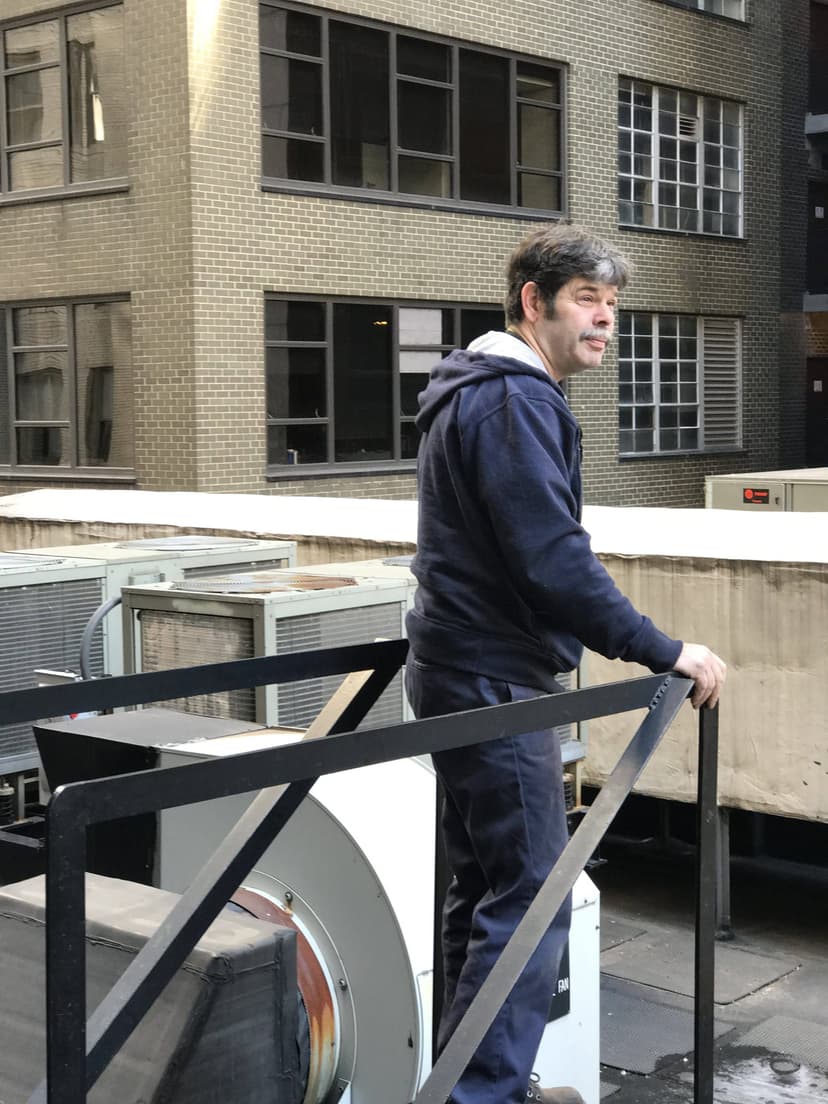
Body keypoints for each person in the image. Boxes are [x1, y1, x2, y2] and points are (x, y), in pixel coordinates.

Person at [404, 223, 726, 1104]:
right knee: (533, 899)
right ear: (533, 303)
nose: (605, 322)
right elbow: (553, 557)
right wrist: (665, 650)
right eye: (588, 300)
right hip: (492, 675)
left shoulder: (477, 390)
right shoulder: (515, 400)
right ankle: (481, 1097)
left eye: (613, 306)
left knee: (484, 892)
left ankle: (464, 1078)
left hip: (454, 661)